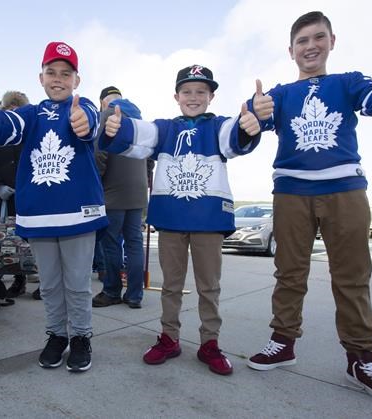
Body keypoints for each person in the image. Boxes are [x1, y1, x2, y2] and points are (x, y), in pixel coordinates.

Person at [246, 11, 372, 407]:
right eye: (302, 40)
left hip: (344, 189)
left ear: (332, 42)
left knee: (352, 275)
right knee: (289, 272)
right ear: (291, 50)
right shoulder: (281, 94)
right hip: (291, 191)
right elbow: (251, 124)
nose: (311, 46)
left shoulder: (347, 82)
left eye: (318, 37)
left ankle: (361, 358)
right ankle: (283, 341)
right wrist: (254, 113)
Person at [101, 65, 271, 375]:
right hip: (172, 218)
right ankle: (169, 338)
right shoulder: (165, 129)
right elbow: (138, 133)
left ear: (211, 97)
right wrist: (117, 127)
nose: (193, 97)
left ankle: (210, 343)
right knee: (171, 286)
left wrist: (249, 124)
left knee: (209, 287)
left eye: (201, 92)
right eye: (187, 91)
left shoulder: (217, 126)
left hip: (208, 220)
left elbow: (235, 136)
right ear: (176, 96)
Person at [0, 41, 107, 373]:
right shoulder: (31, 114)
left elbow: (90, 121)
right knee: (49, 283)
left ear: (76, 80)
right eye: (51, 72)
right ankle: (57, 334)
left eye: (66, 73)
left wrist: (83, 121)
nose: (58, 79)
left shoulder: (83, 105)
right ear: (41, 77)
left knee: (77, 283)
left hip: (77, 213)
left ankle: (81, 336)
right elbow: (10, 124)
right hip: (40, 215)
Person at [92, 86, 149, 309]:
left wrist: (95, 183)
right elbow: (150, 156)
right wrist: (144, 180)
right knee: (134, 243)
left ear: (103, 102)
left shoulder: (107, 115)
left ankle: (111, 291)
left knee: (111, 243)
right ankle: (135, 295)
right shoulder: (140, 120)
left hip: (112, 193)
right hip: (137, 193)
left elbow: (99, 153)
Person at [0, 91, 41, 301]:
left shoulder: (30, 131)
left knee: (29, 240)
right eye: (10, 109)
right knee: (3, 239)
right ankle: (8, 280)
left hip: (26, 194)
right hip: (2, 196)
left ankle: (32, 279)